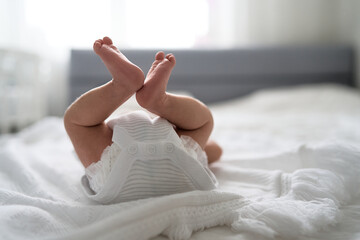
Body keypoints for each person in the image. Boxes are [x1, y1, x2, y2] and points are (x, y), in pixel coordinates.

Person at [64, 37, 222, 204]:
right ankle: (161, 101)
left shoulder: (117, 117)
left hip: (115, 174)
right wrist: (204, 148)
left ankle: (120, 87)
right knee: (205, 121)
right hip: (181, 165)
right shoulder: (176, 131)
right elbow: (216, 150)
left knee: (75, 121)